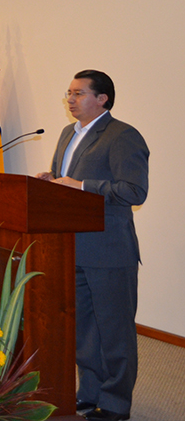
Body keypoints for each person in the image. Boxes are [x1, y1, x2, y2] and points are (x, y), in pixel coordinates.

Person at [35, 70, 148, 421]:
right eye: (68, 93)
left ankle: (116, 404)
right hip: (71, 247)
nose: (70, 99)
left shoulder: (123, 136)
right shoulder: (68, 133)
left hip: (109, 250)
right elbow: (68, 185)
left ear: (102, 99)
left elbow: (133, 191)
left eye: (78, 93)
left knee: (114, 332)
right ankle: (90, 394)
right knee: (84, 331)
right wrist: (52, 181)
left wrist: (82, 185)